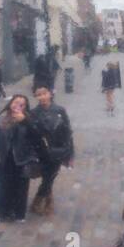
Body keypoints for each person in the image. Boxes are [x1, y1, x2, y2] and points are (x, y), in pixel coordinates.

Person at [0, 95, 40, 225]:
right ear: (11, 103)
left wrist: (25, 121)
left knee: (21, 187)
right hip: (5, 158)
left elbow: (37, 137)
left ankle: (19, 213)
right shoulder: (2, 118)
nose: (18, 105)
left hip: (23, 159)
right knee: (3, 186)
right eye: (16, 102)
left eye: (22, 104)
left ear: (26, 107)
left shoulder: (29, 118)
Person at [29, 85, 73, 216]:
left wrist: (70, 152)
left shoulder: (60, 110)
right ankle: (45, 201)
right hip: (41, 151)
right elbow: (31, 134)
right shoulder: (33, 113)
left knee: (50, 176)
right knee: (48, 176)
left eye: (44, 93)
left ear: (50, 94)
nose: (41, 97)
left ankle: (40, 201)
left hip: (58, 150)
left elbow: (68, 131)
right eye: (38, 94)